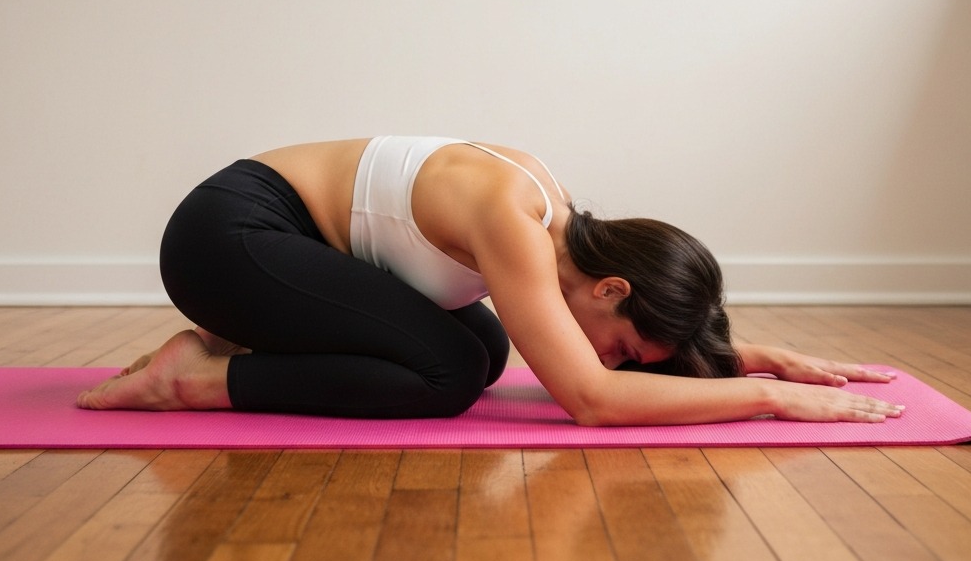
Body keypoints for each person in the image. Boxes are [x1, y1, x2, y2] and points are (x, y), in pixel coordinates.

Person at [77, 137, 904, 425]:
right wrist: (767, 399)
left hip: (269, 237)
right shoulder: (515, 223)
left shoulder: (557, 222)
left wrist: (747, 356)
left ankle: (232, 342)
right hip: (227, 240)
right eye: (623, 346)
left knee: (480, 345)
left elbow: (598, 364)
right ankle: (196, 380)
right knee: (445, 375)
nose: (610, 360)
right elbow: (592, 401)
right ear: (612, 288)